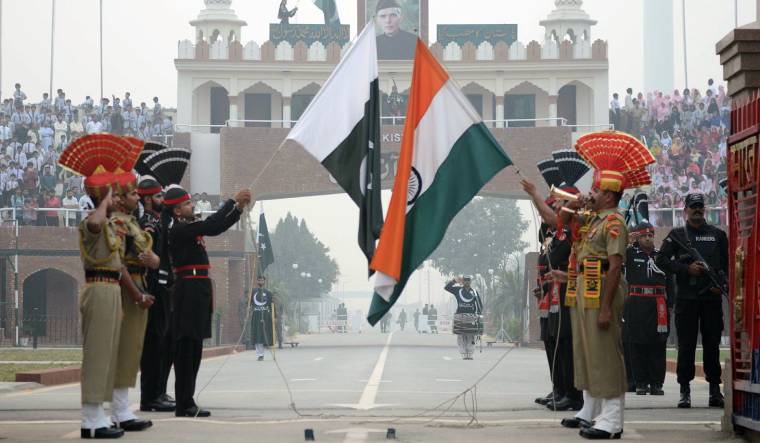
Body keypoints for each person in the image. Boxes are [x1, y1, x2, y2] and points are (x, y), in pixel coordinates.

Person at [557, 131, 655, 439]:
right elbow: (563, 221)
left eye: (596, 190)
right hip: (588, 287)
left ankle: (612, 421)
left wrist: (605, 308)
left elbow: (614, 268)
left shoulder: (614, 223)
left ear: (610, 195)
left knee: (607, 356)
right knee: (589, 352)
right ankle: (594, 410)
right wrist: (578, 203)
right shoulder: (595, 220)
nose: (591, 194)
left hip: (602, 290)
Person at [59, 134, 154, 439]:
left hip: (112, 289)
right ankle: (91, 420)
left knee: (111, 354)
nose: (117, 200)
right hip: (99, 287)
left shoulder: (115, 223)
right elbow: (95, 225)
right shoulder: (93, 220)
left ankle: (101, 416)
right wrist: (103, 200)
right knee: (99, 353)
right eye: (112, 196)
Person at [163, 185, 251, 417]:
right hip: (188, 288)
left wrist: (238, 209)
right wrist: (232, 201)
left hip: (198, 287)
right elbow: (211, 226)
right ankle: (184, 402)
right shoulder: (180, 229)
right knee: (186, 349)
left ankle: (187, 399)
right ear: (177, 211)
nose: (192, 205)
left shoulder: (189, 227)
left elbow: (218, 226)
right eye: (187, 203)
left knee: (195, 348)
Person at [656, 192, 728, 409]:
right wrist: (686, 269)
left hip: (710, 299)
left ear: (704, 209)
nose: (697, 210)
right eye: (692, 206)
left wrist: (720, 285)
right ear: (685, 210)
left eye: (700, 206)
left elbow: (726, 264)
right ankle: (684, 391)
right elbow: (661, 260)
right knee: (686, 346)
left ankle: (715, 390)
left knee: (712, 345)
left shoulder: (717, 235)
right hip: (687, 299)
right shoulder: (677, 235)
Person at [110, 169, 159, 431]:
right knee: (124, 349)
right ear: (118, 198)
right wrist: (137, 294)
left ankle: (122, 408)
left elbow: (151, 254)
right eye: (131, 193)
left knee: (132, 350)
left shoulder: (132, 221)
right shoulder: (117, 223)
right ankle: (118, 409)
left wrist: (155, 260)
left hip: (140, 282)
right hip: (128, 289)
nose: (137, 197)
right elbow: (117, 263)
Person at [137, 176, 176, 413]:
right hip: (151, 286)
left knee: (162, 343)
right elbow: (146, 255)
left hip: (161, 287)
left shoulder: (159, 220)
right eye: (159, 196)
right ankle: (150, 396)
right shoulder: (148, 223)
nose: (164, 200)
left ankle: (158, 392)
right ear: (149, 199)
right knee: (153, 344)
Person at [623, 222, 671, 397]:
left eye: (650, 235)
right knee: (637, 344)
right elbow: (615, 255)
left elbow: (670, 280)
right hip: (636, 303)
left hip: (658, 304)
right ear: (638, 237)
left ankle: (657, 383)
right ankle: (641, 383)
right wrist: (628, 241)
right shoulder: (630, 253)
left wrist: (670, 304)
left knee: (658, 344)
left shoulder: (661, 256)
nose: (648, 238)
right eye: (644, 235)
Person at [445, 276, 483, 360]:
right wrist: (454, 281)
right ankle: (463, 354)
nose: (467, 282)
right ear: (462, 281)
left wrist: (479, 316)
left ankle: (470, 354)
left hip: (472, 316)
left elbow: (480, 305)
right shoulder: (458, 290)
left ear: (470, 281)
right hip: (460, 316)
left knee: (471, 336)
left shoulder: (474, 292)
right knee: (461, 336)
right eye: (465, 280)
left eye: (468, 280)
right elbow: (447, 287)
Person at [249, 276, 274, 361]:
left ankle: (264, 349)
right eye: (259, 280)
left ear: (264, 281)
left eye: (262, 280)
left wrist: (274, 317)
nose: (261, 281)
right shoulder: (253, 292)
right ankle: (260, 354)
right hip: (256, 316)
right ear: (257, 281)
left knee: (264, 334)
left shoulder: (268, 292)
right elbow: (249, 304)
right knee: (257, 334)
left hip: (266, 316)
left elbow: (271, 305)